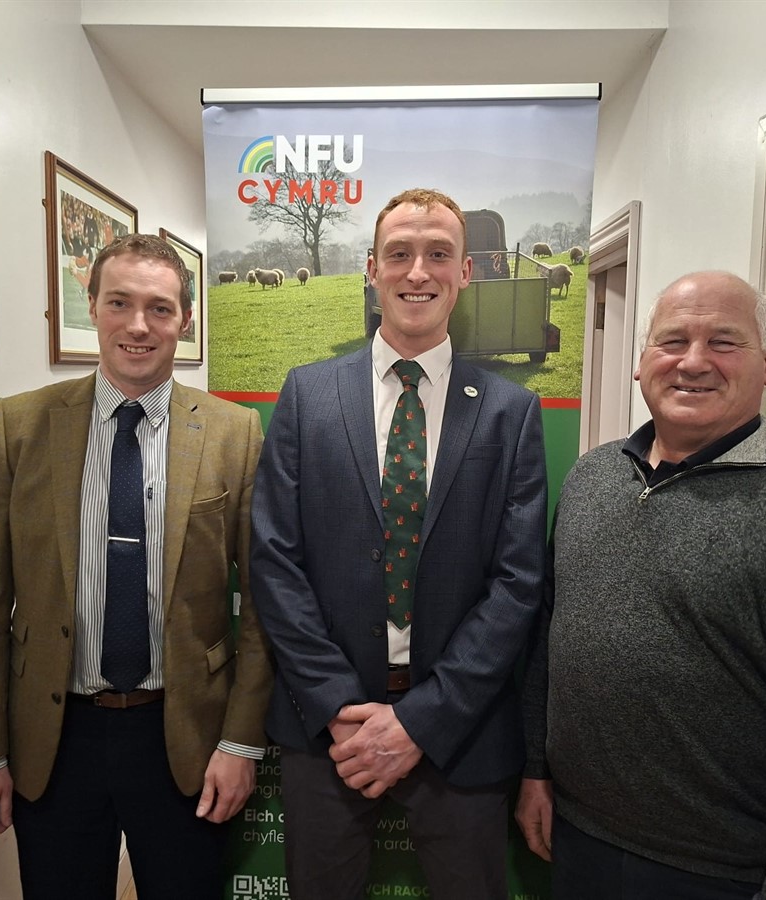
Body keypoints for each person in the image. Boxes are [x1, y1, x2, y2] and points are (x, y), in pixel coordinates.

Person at [517, 271, 766, 900]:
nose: (693, 362)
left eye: (724, 343)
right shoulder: (592, 479)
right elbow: (548, 640)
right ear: (642, 365)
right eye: (672, 342)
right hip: (577, 839)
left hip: (721, 874)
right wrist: (536, 768)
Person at [0, 234, 273, 900]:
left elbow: (266, 605)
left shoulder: (235, 433)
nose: (138, 325)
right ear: (90, 305)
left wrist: (241, 745)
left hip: (185, 738)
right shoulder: (20, 426)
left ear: (185, 319)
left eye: (159, 307)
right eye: (119, 302)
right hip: (54, 737)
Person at [251, 187, 548, 899]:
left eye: (439, 254)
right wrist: (337, 708)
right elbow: (274, 559)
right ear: (371, 269)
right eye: (401, 254)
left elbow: (517, 584)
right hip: (330, 732)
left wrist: (423, 720)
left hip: (461, 730)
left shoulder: (512, 412)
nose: (419, 271)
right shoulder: (306, 394)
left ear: (466, 273)